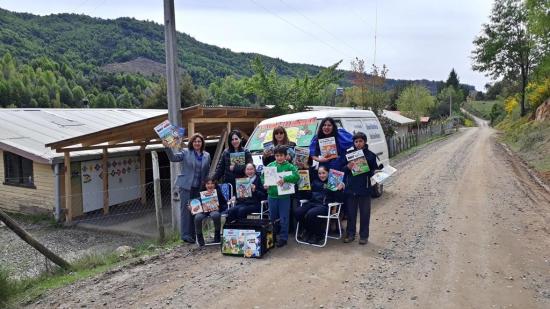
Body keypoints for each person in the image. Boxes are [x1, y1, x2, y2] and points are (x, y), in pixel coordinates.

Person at [164, 133, 210, 243]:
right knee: (185, 211)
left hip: (198, 187)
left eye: (199, 141)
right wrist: (167, 147)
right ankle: (185, 235)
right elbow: (173, 158)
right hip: (186, 186)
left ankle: (194, 234)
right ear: (191, 143)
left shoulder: (207, 155)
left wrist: (208, 185)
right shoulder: (185, 152)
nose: (197, 143)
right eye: (195, 141)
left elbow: (207, 171)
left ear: (202, 143)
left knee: (195, 210)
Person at [343, 132, 383, 245]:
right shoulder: (349, 154)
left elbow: (374, 172)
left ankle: (364, 236)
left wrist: (375, 171)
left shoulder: (371, 155)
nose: (358, 143)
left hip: (365, 189)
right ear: (353, 143)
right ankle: (350, 234)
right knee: (351, 214)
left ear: (364, 142)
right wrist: (347, 167)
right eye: (356, 141)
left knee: (365, 214)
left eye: (360, 141)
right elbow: (342, 169)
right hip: (351, 189)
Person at [295, 166, 345, 245]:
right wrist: (303, 188)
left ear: (328, 173)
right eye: (319, 173)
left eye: (323, 173)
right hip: (312, 203)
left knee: (311, 214)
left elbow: (339, 198)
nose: (321, 175)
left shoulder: (333, 182)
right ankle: (309, 231)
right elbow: (308, 196)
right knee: (298, 212)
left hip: (325, 206)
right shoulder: (315, 182)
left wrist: (339, 190)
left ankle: (319, 235)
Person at [261, 145, 299, 247]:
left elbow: (296, 176)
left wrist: (285, 179)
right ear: (274, 156)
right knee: (272, 218)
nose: (279, 157)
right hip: (272, 196)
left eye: (281, 155)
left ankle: (283, 238)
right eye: (277, 155)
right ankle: (272, 236)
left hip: (284, 197)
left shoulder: (290, 166)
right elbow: (262, 176)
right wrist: (264, 184)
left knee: (284, 218)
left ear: (286, 156)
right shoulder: (270, 166)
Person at [193, 176, 228, 246]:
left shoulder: (218, 192)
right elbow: (196, 203)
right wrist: (191, 207)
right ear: (205, 185)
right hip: (203, 211)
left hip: (214, 210)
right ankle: (199, 236)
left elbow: (224, 204)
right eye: (208, 184)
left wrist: (219, 207)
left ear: (215, 185)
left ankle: (217, 234)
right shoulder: (201, 192)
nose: (210, 185)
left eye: (212, 183)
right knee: (197, 217)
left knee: (215, 215)